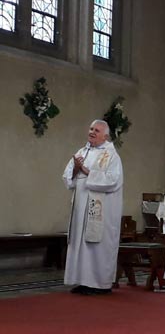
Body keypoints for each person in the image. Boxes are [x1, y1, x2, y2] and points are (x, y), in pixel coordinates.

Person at [63, 120, 123, 295]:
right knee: (80, 244)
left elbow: (113, 180)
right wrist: (76, 169)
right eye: (91, 129)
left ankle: (100, 284)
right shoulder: (82, 152)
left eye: (97, 130)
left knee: (96, 245)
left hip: (101, 209)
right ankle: (82, 280)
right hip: (80, 207)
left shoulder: (111, 156)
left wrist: (87, 171)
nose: (92, 132)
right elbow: (68, 179)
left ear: (105, 136)